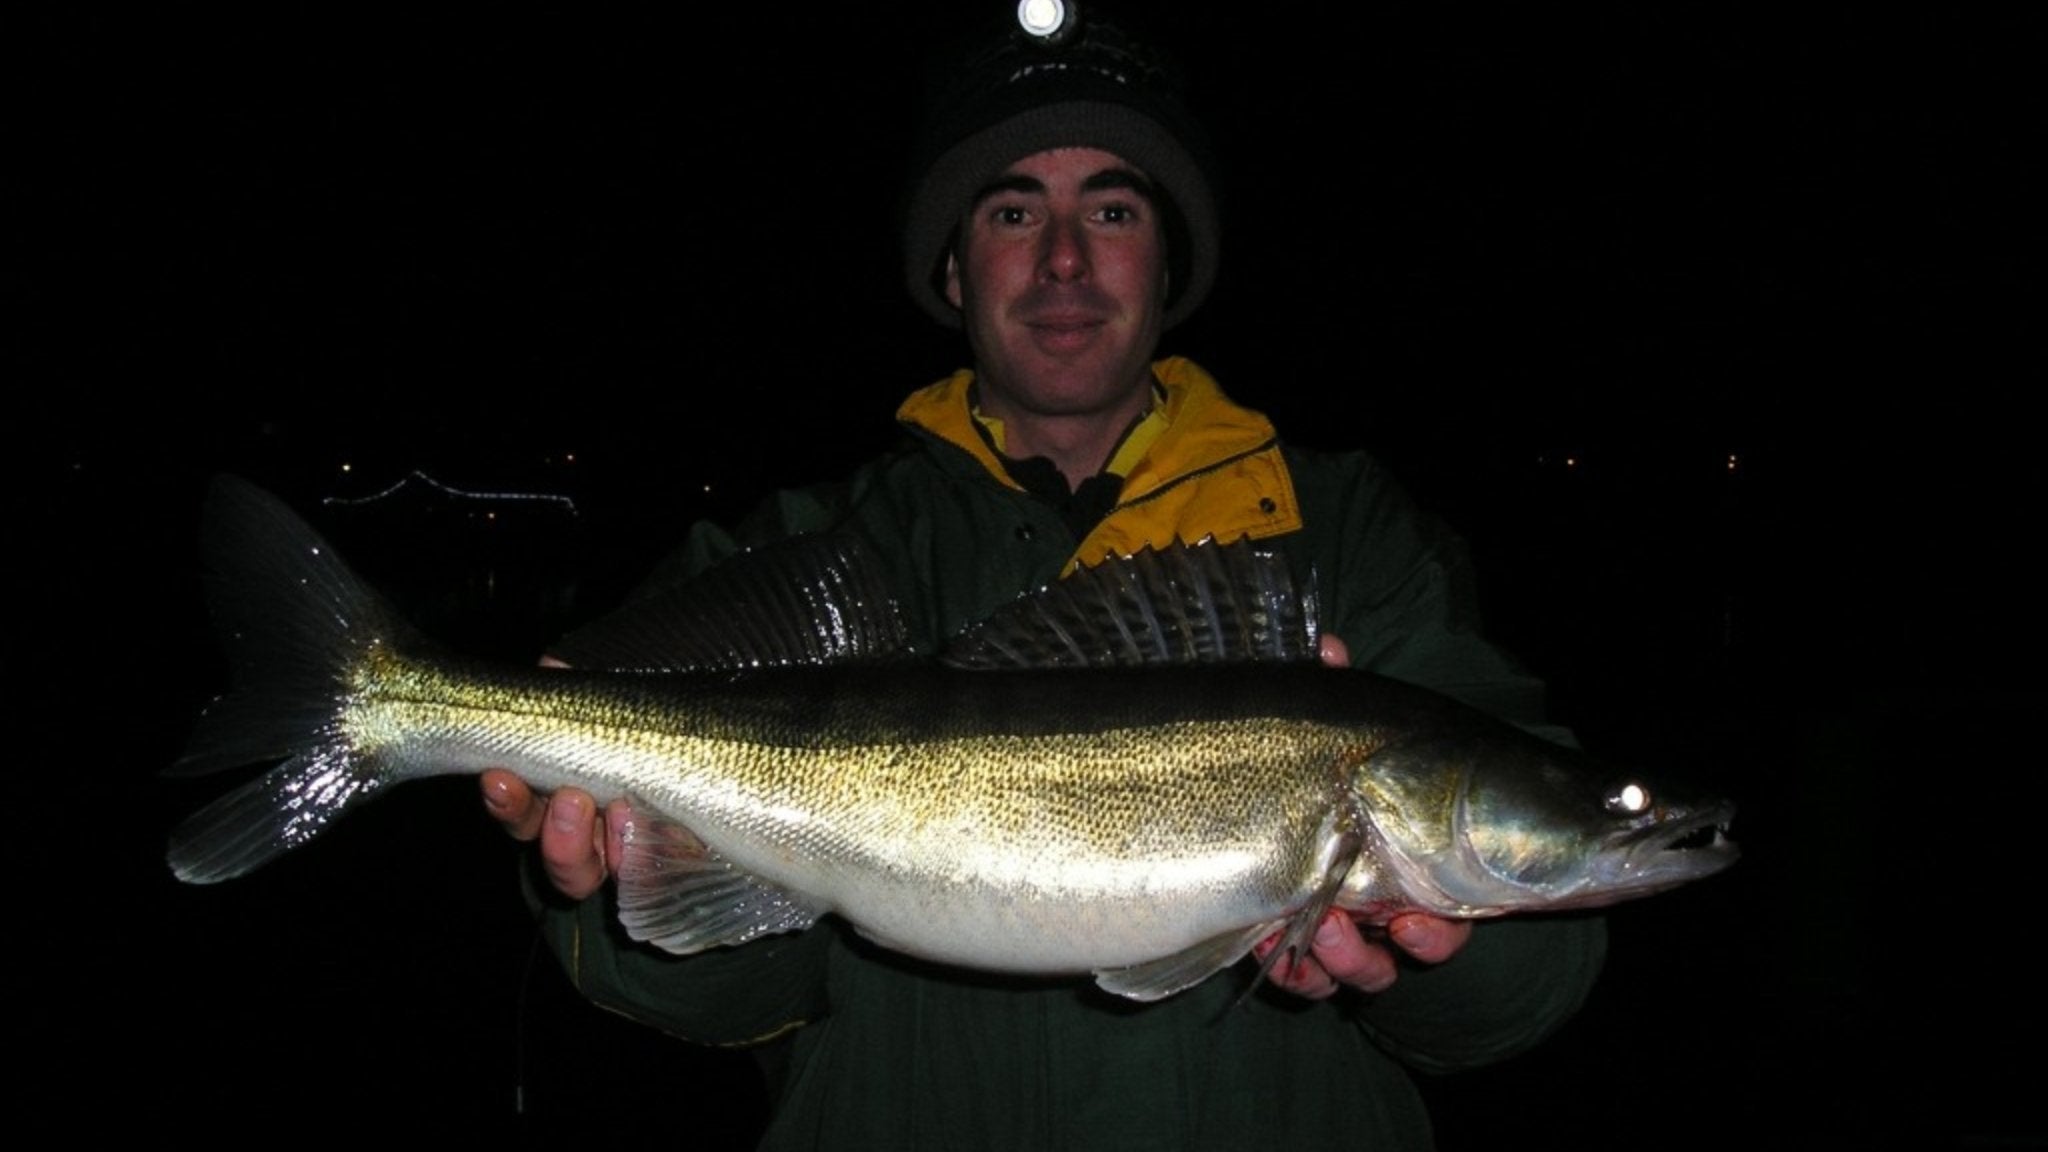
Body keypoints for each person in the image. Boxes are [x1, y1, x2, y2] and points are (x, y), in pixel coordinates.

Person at [481, 10, 1606, 1148]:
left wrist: (1447, 961)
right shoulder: (809, 550)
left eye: (1112, 211)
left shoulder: (1348, 535)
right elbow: (729, 999)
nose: (1064, 258)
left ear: (1167, 260)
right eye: (1013, 212)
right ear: (952, 265)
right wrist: (606, 895)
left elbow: (1528, 991)